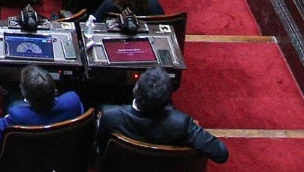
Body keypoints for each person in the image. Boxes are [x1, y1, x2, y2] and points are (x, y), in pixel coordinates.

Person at [96, 66, 229, 162]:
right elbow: (221, 153)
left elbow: (99, 148)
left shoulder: (110, 115)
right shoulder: (180, 124)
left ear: (135, 89)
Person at [0, 64, 84, 161]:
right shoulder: (73, 100)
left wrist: (7, 118)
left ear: (26, 97)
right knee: (12, 101)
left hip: (23, 162)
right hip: (60, 155)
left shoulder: (17, 116)